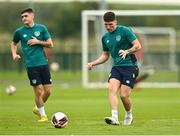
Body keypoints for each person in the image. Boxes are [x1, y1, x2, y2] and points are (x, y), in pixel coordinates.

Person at [87, 11, 141, 125]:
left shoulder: (125, 30)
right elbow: (105, 55)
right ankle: (114, 117)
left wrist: (127, 51)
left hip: (130, 66)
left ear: (115, 22)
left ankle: (129, 114)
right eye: (106, 24)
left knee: (123, 95)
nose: (108, 27)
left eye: (110, 24)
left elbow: (138, 45)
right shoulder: (105, 37)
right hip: (116, 67)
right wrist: (93, 63)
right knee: (111, 89)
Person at [10, 8, 54, 122]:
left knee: (48, 91)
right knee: (38, 91)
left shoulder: (41, 28)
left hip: (43, 63)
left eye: (25, 16)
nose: (23, 18)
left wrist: (38, 41)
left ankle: (37, 108)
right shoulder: (19, 32)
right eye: (22, 17)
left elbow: (50, 44)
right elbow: (13, 43)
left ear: (32, 16)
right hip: (31, 65)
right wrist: (14, 54)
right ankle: (43, 115)